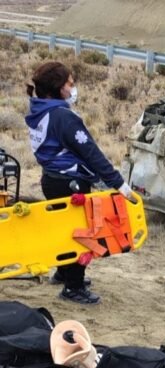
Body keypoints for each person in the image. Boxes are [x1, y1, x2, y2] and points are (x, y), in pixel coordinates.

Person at [25, 61, 134, 305]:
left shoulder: (39, 109)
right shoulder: (63, 117)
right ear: (57, 87)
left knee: (64, 231)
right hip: (70, 184)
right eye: (70, 83)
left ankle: (64, 273)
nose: (73, 88)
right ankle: (73, 288)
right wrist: (119, 184)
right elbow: (91, 153)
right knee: (80, 234)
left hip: (52, 180)